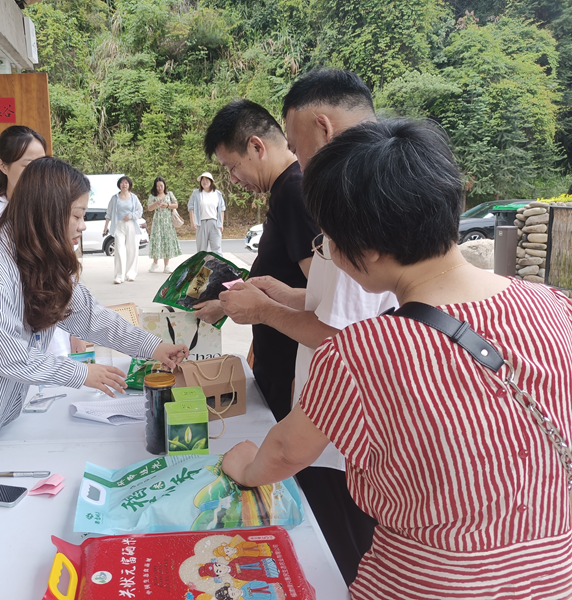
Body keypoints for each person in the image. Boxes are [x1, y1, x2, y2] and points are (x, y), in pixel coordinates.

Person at [223, 119, 572, 598]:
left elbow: (286, 451)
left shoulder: (362, 350)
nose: (328, 253)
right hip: (553, 576)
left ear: (366, 247)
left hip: (428, 584)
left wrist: (246, 467)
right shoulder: (555, 304)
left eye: (327, 243)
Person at [0, 158, 188, 512]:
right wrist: (82, 373)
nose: (83, 225)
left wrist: (155, 346)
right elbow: (7, 357)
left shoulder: (39, 257)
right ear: (47, 212)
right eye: (77, 215)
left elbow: (91, 317)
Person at [218, 69, 396, 585]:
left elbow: (348, 336)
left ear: (324, 127)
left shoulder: (348, 205)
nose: (297, 163)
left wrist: (265, 311)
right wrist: (282, 293)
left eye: (297, 148)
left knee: (342, 550)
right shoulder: (371, 188)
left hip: (338, 434)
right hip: (339, 424)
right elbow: (341, 303)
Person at [197, 100, 319, 425]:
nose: (234, 180)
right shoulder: (285, 189)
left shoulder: (294, 192)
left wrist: (261, 310)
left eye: (232, 167)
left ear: (256, 146)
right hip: (277, 356)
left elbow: (322, 296)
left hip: (293, 365)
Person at [0, 125, 85, 356]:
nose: (37, 173)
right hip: (19, 330)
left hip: (56, 324)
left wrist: (77, 331)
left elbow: (66, 272)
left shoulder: (53, 207)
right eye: (28, 165)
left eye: (42, 163)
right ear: (3, 165)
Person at [104, 175, 142, 284]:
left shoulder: (134, 197)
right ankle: (119, 276)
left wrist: (131, 216)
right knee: (119, 249)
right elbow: (109, 213)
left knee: (132, 249)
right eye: (122, 183)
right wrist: (105, 227)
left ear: (129, 185)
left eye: (126, 183)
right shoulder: (114, 198)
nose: (124, 184)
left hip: (131, 224)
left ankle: (131, 273)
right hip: (118, 225)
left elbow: (140, 211)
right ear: (119, 185)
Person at [147, 176, 182, 273]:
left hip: (168, 222)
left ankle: (166, 266)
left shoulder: (169, 194)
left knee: (167, 242)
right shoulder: (152, 196)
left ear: (164, 185)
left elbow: (176, 205)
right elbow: (149, 208)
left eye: (161, 185)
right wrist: (156, 203)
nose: (159, 188)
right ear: (155, 186)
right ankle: (155, 263)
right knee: (157, 241)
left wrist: (167, 205)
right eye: (157, 186)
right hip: (157, 222)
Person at [188, 173, 225, 255]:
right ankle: (201, 263)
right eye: (203, 180)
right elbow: (191, 207)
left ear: (211, 181)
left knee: (217, 248)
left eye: (207, 179)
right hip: (201, 223)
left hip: (214, 223)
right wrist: (193, 222)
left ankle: (218, 263)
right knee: (201, 249)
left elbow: (222, 209)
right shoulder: (196, 193)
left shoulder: (217, 194)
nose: (204, 181)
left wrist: (221, 224)